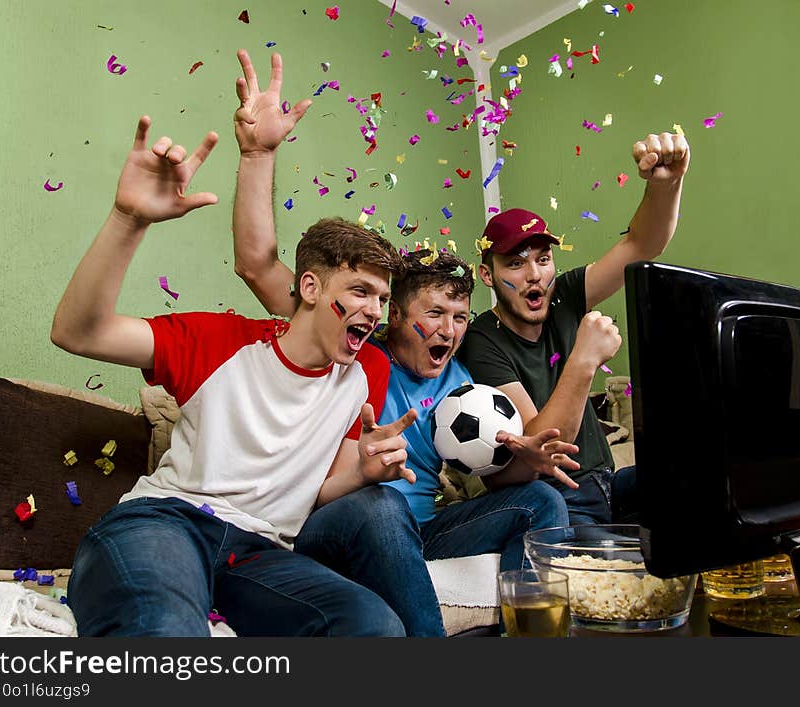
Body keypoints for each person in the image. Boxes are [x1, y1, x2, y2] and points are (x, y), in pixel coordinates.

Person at [230, 49, 581, 635]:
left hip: (420, 531)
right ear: (392, 317)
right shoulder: (354, 351)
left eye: (461, 316)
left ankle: (532, 639)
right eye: (435, 313)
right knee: (383, 503)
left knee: (544, 501)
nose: (449, 329)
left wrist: (526, 460)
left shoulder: (465, 384)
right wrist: (258, 155)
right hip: (339, 521)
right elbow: (257, 265)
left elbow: (494, 480)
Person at [50, 111, 428, 637]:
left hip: (259, 553)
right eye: (361, 292)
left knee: (373, 626)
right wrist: (128, 218)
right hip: (166, 522)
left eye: (383, 299)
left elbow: (319, 492)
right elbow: (78, 332)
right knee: (165, 629)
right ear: (312, 288)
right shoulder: (221, 341)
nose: (375, 311)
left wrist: (364, 473)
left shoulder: (368, 368)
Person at [457, 133, 691, 526]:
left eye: (543, 259)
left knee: (697, 481)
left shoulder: (563, 295)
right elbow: (544, 445)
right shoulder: (483, 341)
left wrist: (666, 185)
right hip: (560, 497)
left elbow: (642, 244)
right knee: (614, 574)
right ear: (488, 275)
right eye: (515, 264)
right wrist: (584, 359)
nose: (534, 275)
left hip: (608, 484)